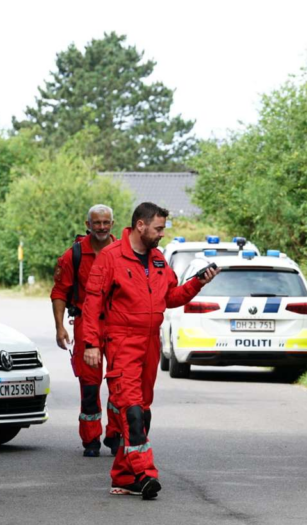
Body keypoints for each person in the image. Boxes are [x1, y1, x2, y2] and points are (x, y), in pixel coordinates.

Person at [82, 202, 219, 499]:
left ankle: (123, 476)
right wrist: (91, 343)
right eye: (158, 229)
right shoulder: (110, 257)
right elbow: (92, 302)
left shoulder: (158, 260)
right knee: (131, 410)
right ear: (140, 226)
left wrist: (197, 283)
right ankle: (144, 473)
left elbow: (170, 298)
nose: (162, 235)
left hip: (150, 344)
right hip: (121, 342)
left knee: (141, 413)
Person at [50, 205, 122, 457]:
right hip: (85, 325)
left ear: (113, 223)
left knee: (120, 384)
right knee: (89, 385)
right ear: (87, 224)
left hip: (117, 326)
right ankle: (91, 439)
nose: (101, 227)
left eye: (106, 222)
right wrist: (60, 327)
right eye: (97, 223)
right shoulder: (74, 255)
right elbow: (59, 293)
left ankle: (116, 436)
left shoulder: (124, 252)